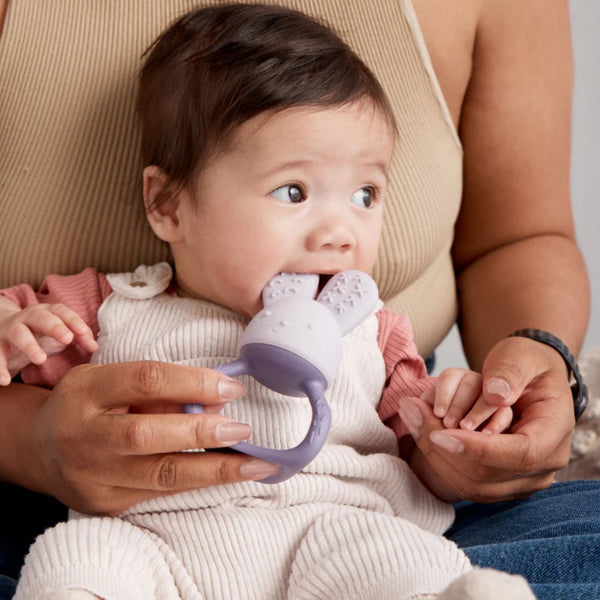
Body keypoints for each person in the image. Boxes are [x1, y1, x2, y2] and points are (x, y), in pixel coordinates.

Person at [0, 1, 595, 599]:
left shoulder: (375, 332)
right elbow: (21, 342)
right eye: (294, 190)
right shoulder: (109, 304)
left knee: (394, 555)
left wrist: (460, 434)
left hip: (331, 529)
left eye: (365, 194)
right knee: (76, 556)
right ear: (168, 204)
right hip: (153, 542)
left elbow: (421, 435)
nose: (340, 231)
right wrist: (9, 328)